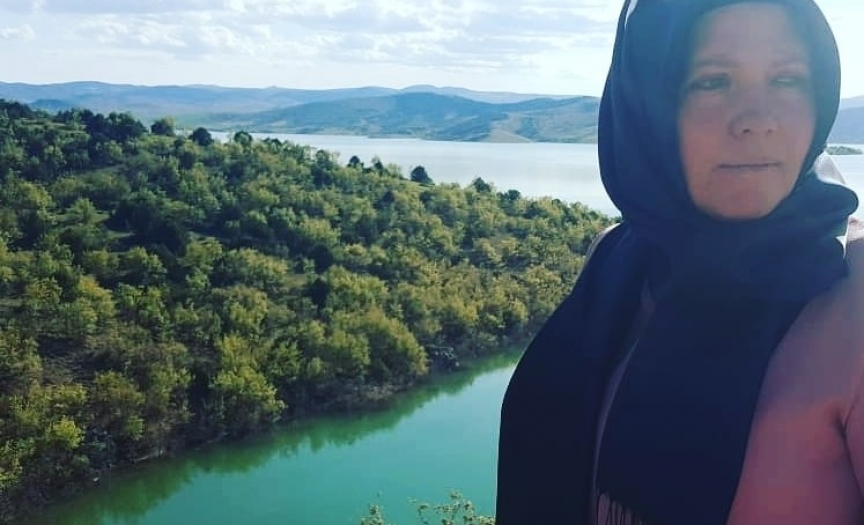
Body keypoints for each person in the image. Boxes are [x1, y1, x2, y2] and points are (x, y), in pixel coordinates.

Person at [495, 0, 864, 524]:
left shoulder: (854, 290)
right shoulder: (616, 261)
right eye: (713, 82)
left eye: (787, 79)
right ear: (648, 109)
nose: (759, 121)